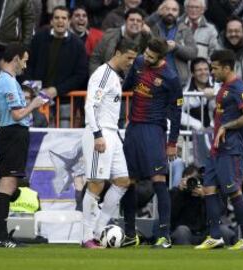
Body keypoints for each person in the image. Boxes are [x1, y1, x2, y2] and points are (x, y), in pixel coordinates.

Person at [121, 37, 183, 249]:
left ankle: (164, 235)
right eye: (145, 53)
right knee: (129, 180)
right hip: (133, 129)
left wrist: (172, 142)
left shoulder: (171, 78)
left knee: (158, 179)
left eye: (150, 56)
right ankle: (130, 233)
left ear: (161, 58)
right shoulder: (138, 62)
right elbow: (127, 86)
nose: (145, 58)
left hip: (154, 129)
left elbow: (176, 112)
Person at [194, 49, 243, 250]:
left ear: (227, 68)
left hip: (231, 148)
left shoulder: (239, 88)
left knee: (233, 191)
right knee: (209, 189)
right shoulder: (224, 87)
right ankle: (215, 236)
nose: (211, 72)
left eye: (214, 68)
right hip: (217, 148)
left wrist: (226, 127)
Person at [81, 39, 139, 249]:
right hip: (100, 132)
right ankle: (87, 236)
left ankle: (99, 229)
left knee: (123, 180)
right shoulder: (103, 74)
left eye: (134, 58)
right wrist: (97, 135)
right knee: (96, 183)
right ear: (117, 52)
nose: (131, 62)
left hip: (113, 133)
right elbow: (90, 106)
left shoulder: (115, 76)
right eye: (128, 57)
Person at [0, 43, 46, 248]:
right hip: (12, 133)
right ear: (15, 58)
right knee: (7, 183)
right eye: (24, 60)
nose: (25, 64)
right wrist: (33, 105)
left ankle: (2, 235)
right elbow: (16, 115)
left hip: (13, 134)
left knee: (10, 183)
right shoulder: (6, 81)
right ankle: (1, 236)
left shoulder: (8, 80)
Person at [146, 0, 197, 85]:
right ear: (161, 10)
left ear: (178, 13)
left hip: (179, 81)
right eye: (167, 9)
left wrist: (176, 47)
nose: (170, 12)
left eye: (174, 10)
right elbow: (141, 26)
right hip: (154, 80)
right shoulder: (152, 27)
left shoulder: (184, 29)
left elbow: (193, 53)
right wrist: (156, 15)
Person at [170, 165, 207, 245]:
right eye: (189, 180)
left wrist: (204, 197)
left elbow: (217, 215)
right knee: (182, 231)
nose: (191, 182)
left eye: (194, 180)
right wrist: (180, 193)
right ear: (183, 179)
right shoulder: (175, 192)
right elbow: (170, 216)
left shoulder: (206, 194)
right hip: (182, 232)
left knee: (222, 232)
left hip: (203, 233)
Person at [181, 57, 217, 130]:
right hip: (196, 133)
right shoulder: (185, 91)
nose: (203, 72)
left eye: (206, 69)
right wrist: (198, 125)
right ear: (193, 73)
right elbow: (177, 112)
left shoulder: (218, 84)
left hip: (217, 129)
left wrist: (215, 94)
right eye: (199, 70)